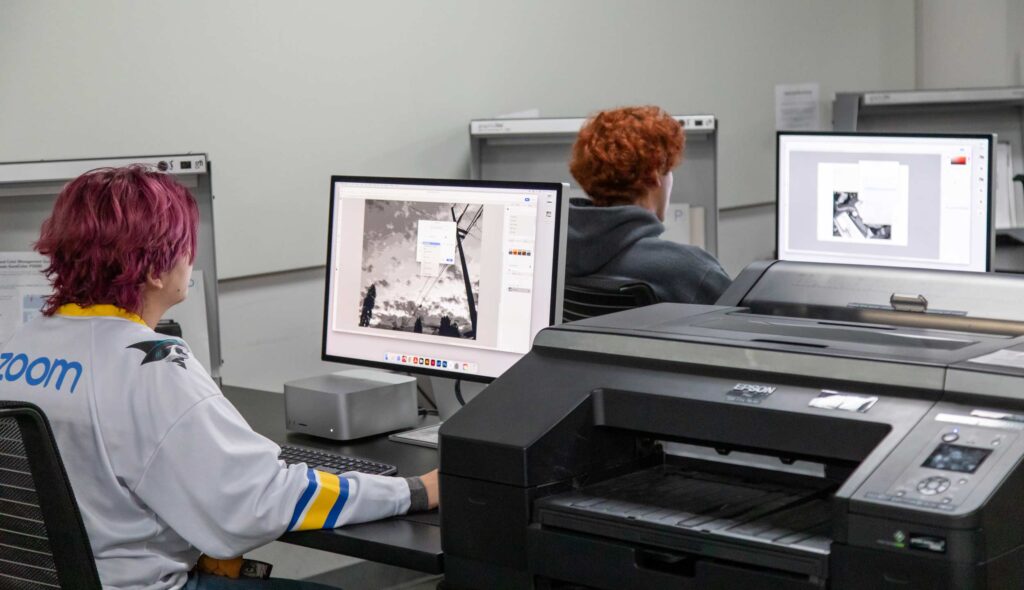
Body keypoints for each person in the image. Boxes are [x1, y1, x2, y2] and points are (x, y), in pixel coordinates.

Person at [0, 166, 438, 590]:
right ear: (156, 270)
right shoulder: (149, 364)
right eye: (186, 246)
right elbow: (257, 500)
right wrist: (413, 492)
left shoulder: (20, 345)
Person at [567, 105, 731, 304]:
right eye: (669, 170)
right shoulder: (691, 270)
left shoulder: (554, 255)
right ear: (655, 175)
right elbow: (751, 328)